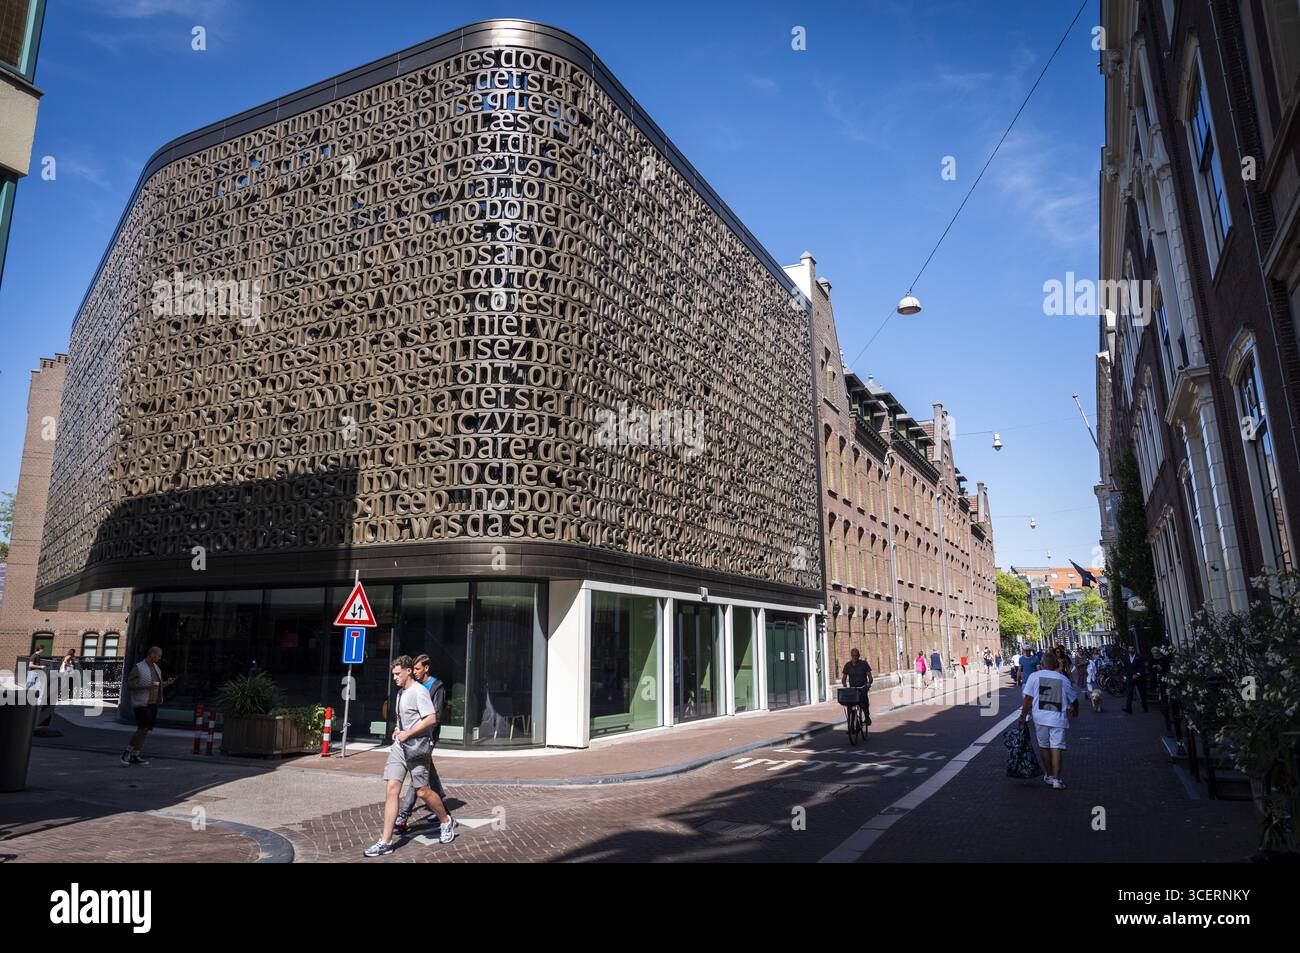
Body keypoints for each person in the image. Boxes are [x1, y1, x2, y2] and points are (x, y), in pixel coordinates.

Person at [365, 656, 457, 857]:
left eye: (398, 674)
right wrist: (398, 730)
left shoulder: (419, 692)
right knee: (391, 789)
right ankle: (386, 841)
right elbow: (401, 718)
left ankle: (446, 820)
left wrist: (409, 733)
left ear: (408, 671)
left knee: (423, 791)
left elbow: (431, 718)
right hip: (400, 746)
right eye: (393, 675)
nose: (395, 678)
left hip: (416, 746)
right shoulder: (400, 693)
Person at [393, 654, 449, 833]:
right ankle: (441, 803)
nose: (415, 672)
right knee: (426, 773)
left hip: (425, 738)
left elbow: (436, 716)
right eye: (414, 669)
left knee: (418, 779)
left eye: (418, 669)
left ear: (426, 668)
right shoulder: (405, 689)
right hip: (409, 739)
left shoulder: (435, 687)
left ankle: (403, 814)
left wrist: (425, 736)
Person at [1019, 651, 1079, 789]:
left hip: (1040, 718)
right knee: (1056, 747)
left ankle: (1049, 775)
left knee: (1044, 746)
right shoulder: (1062, 679)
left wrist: (1023, 715)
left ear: (1042, 664)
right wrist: (1075, 710)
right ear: (1056, 664)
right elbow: (1074, 699)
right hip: (1057, 719)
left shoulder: (1034, 677)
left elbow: (1028, 698)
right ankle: (1057, 780)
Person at [123, 647, 175, 766]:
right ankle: (126, 752)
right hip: (141, 703)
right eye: (158, 655)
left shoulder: (156, 668)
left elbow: (158, 686)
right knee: (142, 728)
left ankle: (135, 755)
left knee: (145, 730)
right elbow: (130, 685)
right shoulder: (139, 667)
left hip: (152, 703)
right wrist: (147, 687)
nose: (159, 658)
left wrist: (167, 683)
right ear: (151, 654)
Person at [841, 648, 873, 723]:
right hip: (853, 689)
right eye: (853, 656)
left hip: (862, 687)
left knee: (864, 701)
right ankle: (851, 723)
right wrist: (844, 684)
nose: (855, 657)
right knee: (850, 704)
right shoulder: (848, 665)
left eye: (856, 655)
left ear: (859, 656)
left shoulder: (864, 664)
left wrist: (869, 683)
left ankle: (867, 717)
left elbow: (870, 677)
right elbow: (844, 677)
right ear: (851, 656)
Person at [1122, 643, 1149, 714]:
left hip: (1138, 678)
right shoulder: (1126, 657)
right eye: (1129, 649)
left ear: (1134, 649)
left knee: (1142, 693)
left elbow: (1142, 667)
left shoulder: (1139, 657)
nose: (1130, 650)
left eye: (1132, 649)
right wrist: (1125, 676)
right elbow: (1125, 667)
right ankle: (1129, 708)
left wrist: (1138, 674)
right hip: (1130, 678)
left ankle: (1145, 707)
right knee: (1129, 693)